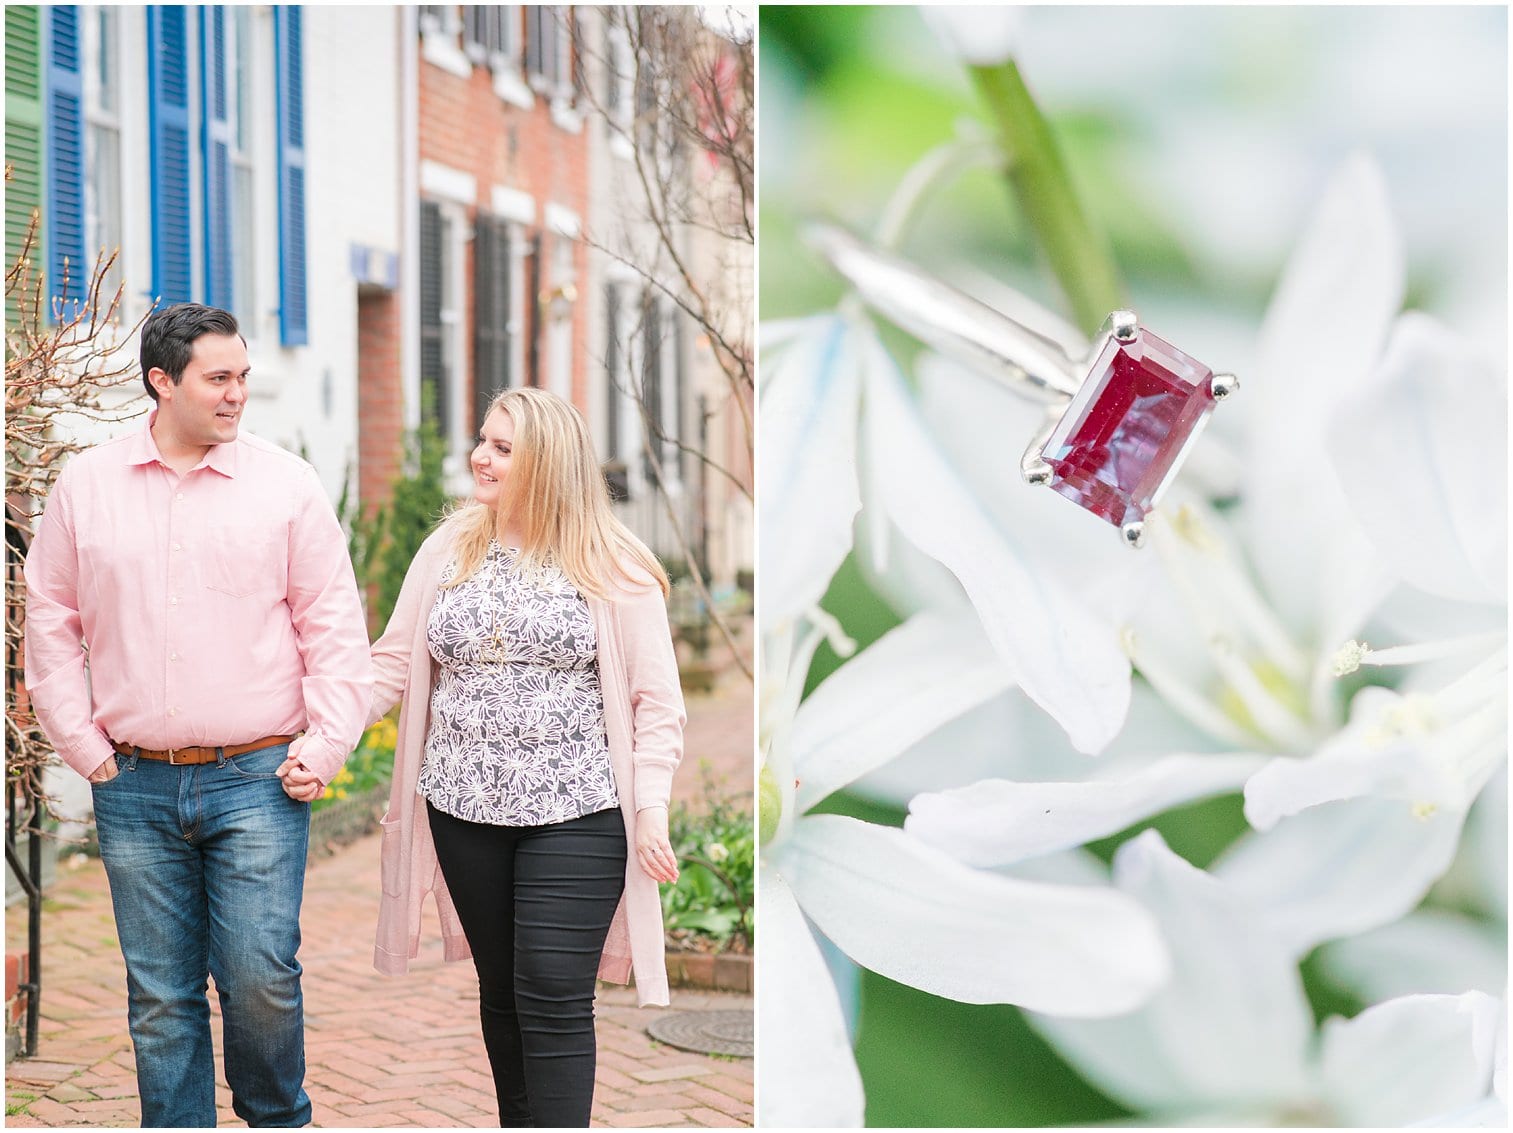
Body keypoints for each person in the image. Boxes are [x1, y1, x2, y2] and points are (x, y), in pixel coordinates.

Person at [23, 303, 372, 1127]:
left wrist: (324, 744)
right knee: (159, 996)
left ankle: (277, 1118)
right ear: (161, 381)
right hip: (133, 783)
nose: (237, 394)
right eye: (218, 378)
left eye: (243, 376)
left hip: (259, 778)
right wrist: (84, 745)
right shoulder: (88, 486)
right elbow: (48, 618)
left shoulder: (285, 485)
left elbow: (333, 627)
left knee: (259, 977)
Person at [369, 386, 684, 1127]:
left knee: (551, 990)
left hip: (577, 809)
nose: (481, 456)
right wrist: (320, 735)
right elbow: (392, 661)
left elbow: (656, 703)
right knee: (503, 991)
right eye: (483, 439)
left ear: (548, 463)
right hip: (462, 806)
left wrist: (651, 807)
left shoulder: (612, 563)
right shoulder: (448, 547)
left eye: (503, 447)